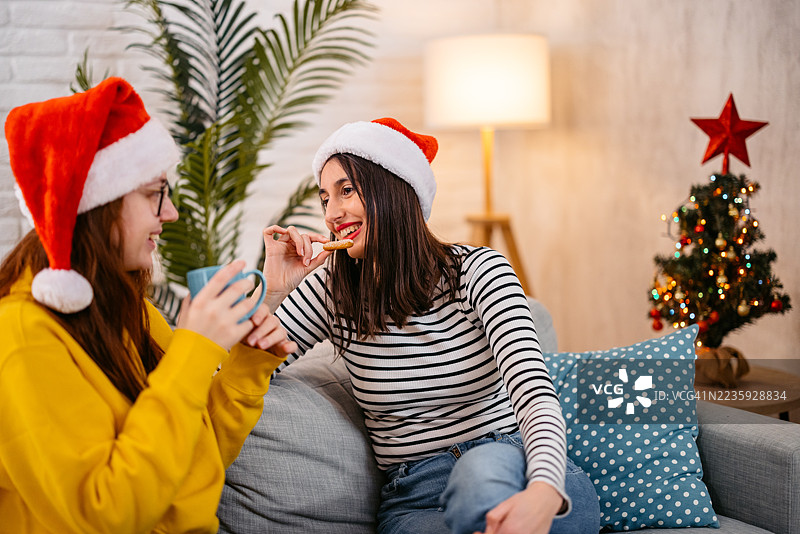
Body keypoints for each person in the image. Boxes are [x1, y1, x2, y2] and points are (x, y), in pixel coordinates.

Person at [260, 117, 600, 534]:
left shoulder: (478, 270)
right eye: (325, 198)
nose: (332, 213)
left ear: (394, 189)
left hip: (518, 466)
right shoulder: (332, 291)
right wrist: (275, 293)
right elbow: (246, 372)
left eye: (346, 190)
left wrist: (545, 491)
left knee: (482, 473)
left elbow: (534, 394)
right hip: (417, 498)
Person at [0, 77, 296, 533]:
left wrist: (247, 363)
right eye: (154, 192)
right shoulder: (22, 335)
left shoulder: (129, 309)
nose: (171, 212)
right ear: (99, 203)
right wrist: (194, 348)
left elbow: (194, 459)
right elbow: (109, 514)